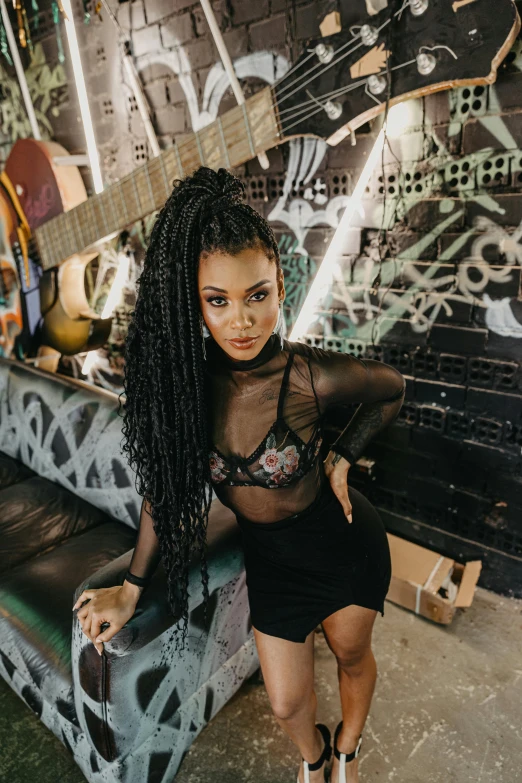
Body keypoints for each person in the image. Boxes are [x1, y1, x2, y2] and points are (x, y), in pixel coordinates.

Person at [72, 166, 405, 783]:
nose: (241, 321)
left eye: (256, 296)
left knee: (352, 657)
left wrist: (341, 456)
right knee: (285, 702)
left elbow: (391, 390)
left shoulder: (308, 376)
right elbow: (165, 496)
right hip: (273, 566)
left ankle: (347, 751)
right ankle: (314, 757)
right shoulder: (187, 387)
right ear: (194, 303)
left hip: (344, 549)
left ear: (280, 285)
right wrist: (131, 587)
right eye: (217, 301)